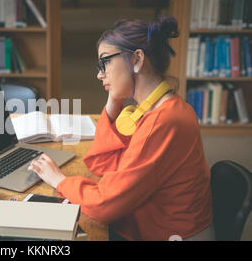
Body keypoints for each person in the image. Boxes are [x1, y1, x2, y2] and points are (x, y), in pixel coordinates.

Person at [28, 16, 215, 241]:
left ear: (137, 58)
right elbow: (103, 164)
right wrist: (114, 102)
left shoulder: (162, 123)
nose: (99, 74)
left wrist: (60, 181)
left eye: (105, 62)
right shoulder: (161, 108)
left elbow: (105, 205)